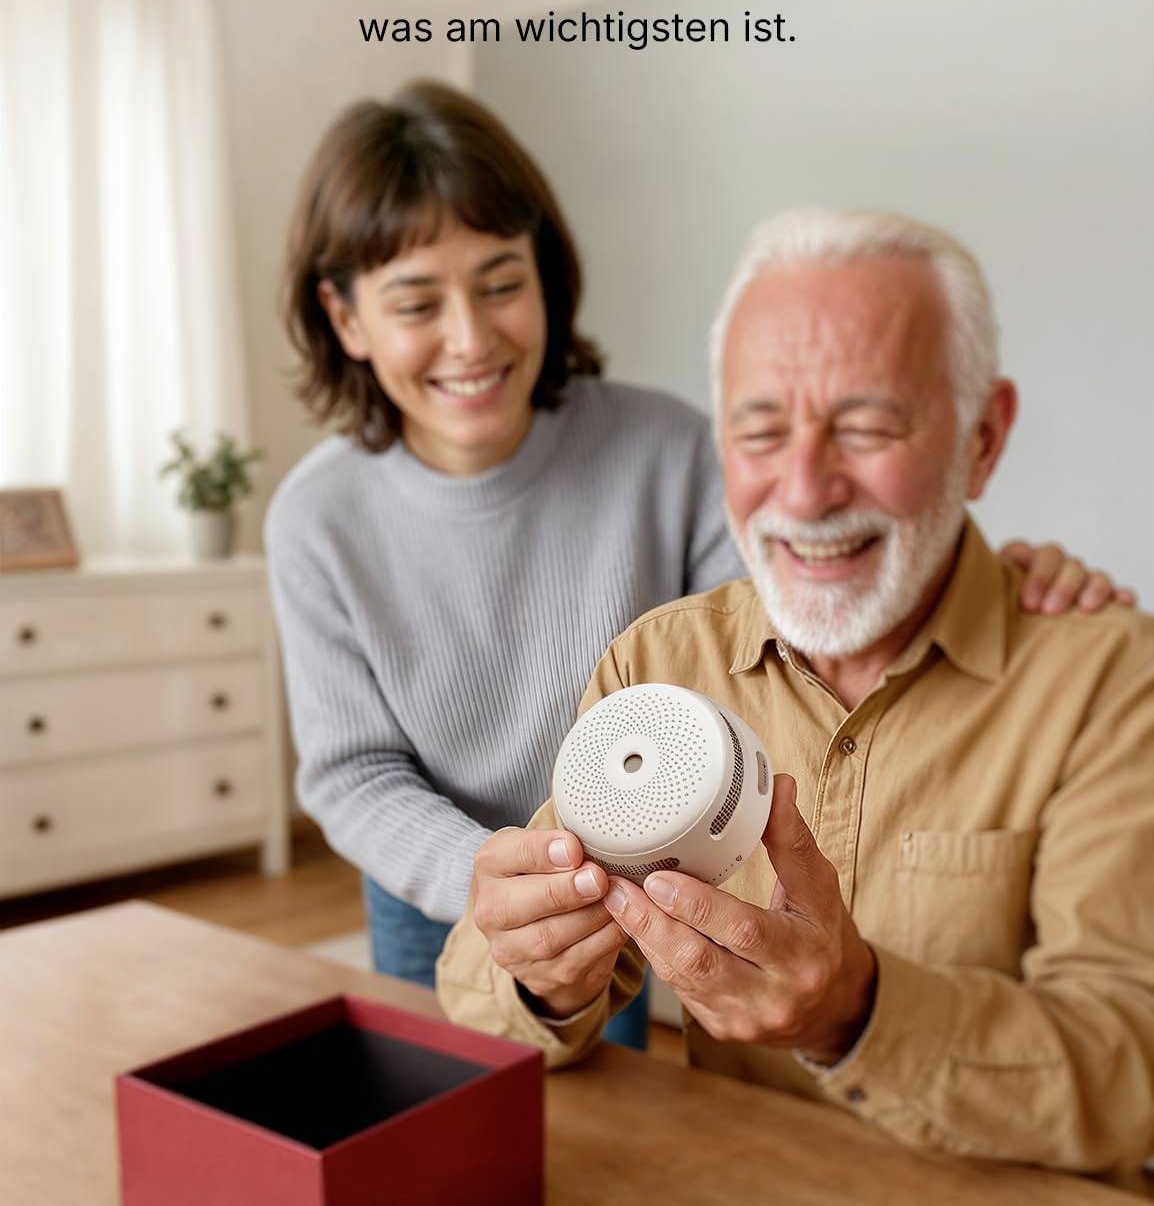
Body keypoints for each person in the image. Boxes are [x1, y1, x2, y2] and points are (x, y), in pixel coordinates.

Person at [266, 87, 1126, 1050]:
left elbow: (801, 619)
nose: (469, 337)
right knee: (460, 1088)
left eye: (502, 282)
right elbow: (354, 771)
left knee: (622, 1081)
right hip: (457, 870)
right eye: (417, 302)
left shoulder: (667, 451)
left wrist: (988, 579)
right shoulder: (316, 515)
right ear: (345, 319)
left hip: (636, 844)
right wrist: (510, 880)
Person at [436, 208, 1154, 1186]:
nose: (805, 491)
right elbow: (481, 1009)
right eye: (760, 429)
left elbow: (1129, 1075)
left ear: (981, 438)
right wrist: (541, 975)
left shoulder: (1108, 682)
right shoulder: (659, 662)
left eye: (864, 426)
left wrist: (856, 1013)